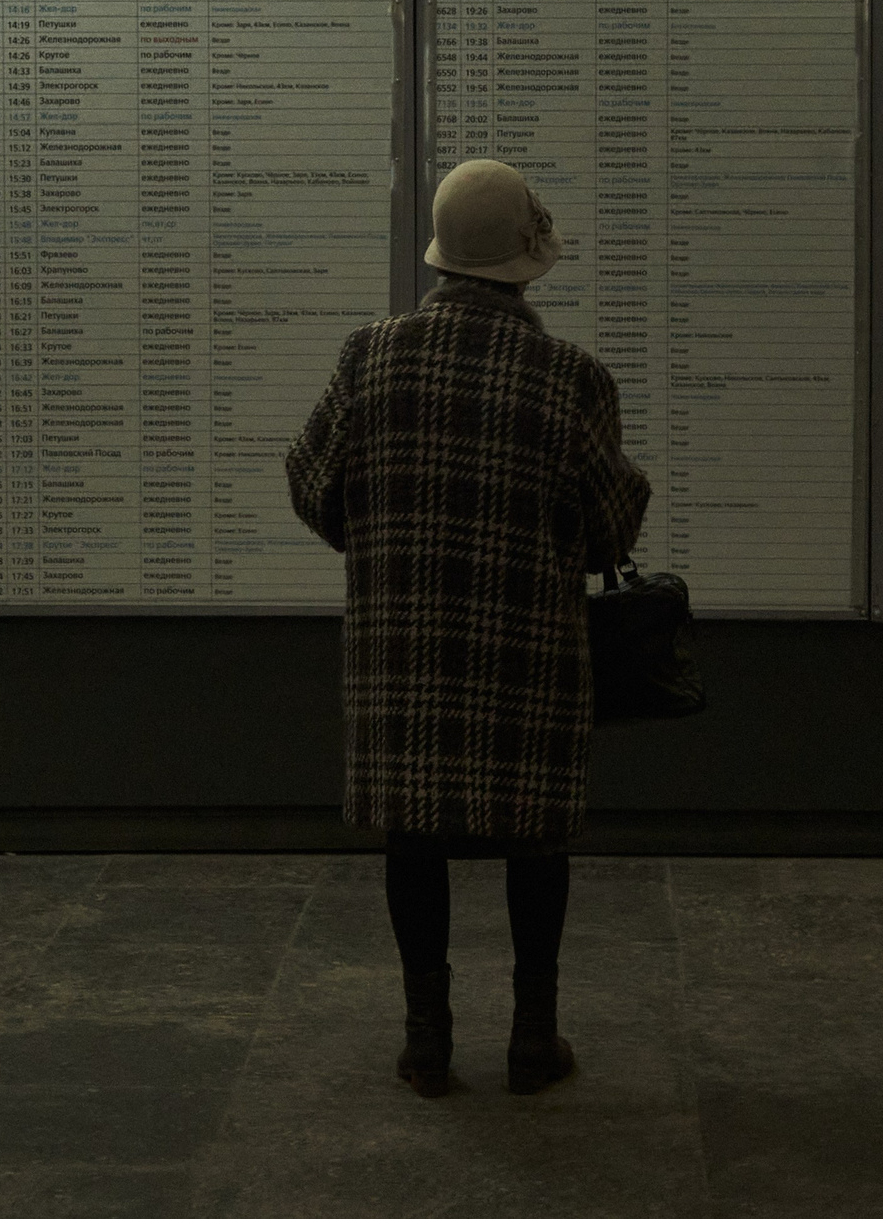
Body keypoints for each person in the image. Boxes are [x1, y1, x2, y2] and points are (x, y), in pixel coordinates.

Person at [286, 159, 651, 1099]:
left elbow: (312, 484)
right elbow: (611, 531)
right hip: (524, 655)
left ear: (443, 258)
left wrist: (380, 543)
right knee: (536, 842)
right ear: (526, 261)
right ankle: (534, 1036)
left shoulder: (370, 356)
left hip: (400, 656)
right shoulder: (572, 378)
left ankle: (425, 1040)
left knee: (414, 840)